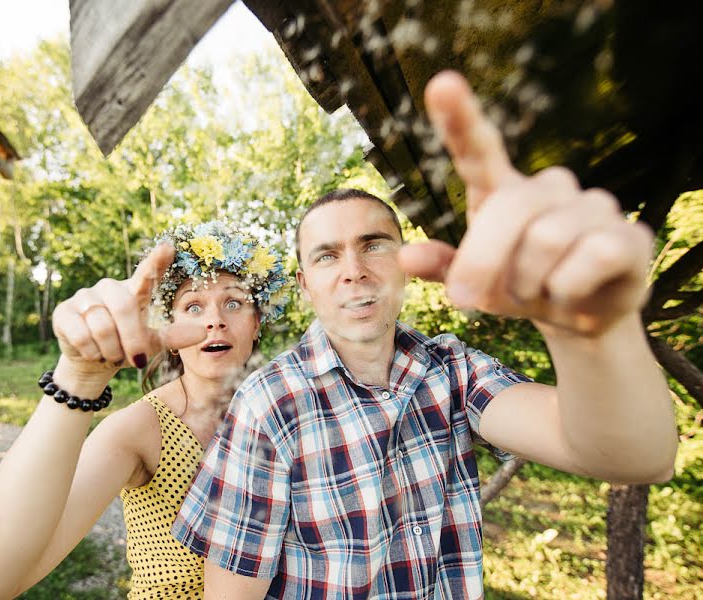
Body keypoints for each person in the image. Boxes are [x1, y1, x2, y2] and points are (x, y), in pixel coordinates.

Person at [171, 71, 679, 599]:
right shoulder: (269, 404)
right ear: (305, 285)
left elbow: (639, 456)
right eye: (327, 255)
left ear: (405, 265)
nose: (354, 271)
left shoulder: (454, 371)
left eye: (374, 245)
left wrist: (590, 332)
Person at [0, 221, 289, 599]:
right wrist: (80, 377)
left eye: (234, 302)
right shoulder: (141, 428)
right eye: (193, 306)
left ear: (256, 323)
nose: (215, 320)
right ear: (172, 332)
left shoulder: (282, 410)